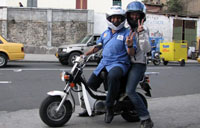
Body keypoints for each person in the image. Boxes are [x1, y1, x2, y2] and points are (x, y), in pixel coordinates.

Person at [79, 6, 131, 124]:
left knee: (113, 76)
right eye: (113, 18)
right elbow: (98, 47)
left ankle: (109, 108)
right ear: (109, 19)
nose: (116, 20)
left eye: (118, 18)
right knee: (89, 85)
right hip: (104, 63)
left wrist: (130, 45)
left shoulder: (127, 33)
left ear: (122, 19)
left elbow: (130, 52)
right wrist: (85, 55)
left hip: (119, 63)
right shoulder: (105, 33)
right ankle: (88, 109)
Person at [125, 1, 153, 128]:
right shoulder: (126, 28)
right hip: (125, 63)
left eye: (137, 15)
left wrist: (141, 33)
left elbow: (147, 49)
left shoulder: (144, 29)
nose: (134, 17)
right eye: (132, 14)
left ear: (142, 16)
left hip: (138, 64)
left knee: (130, 91)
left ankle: (146, 118)